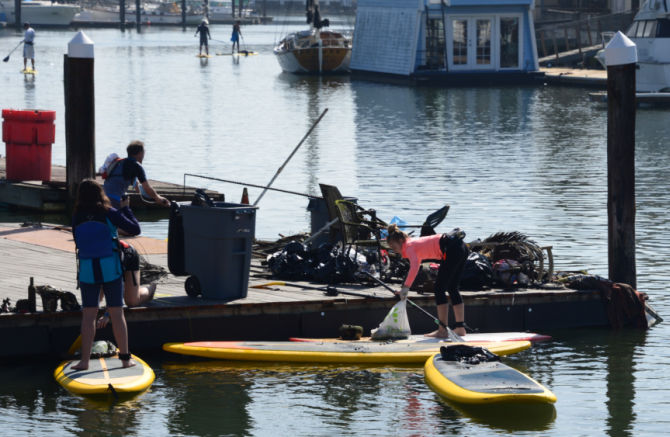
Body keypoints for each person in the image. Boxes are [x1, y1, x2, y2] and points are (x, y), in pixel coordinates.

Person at [70, 179, 140, 370]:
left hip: (87, 271)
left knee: (88, 315)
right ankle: (125, 359)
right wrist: (126, 209)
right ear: (100, 194)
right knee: (117, 313)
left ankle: (84, 362)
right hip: (111, 269)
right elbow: (135, 229)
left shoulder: (77, 216)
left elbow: (78, 241)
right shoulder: (110, 212)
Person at [386, 224, 469, 338]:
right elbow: (416, 266)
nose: (394, 252)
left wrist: (405, 288)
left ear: (401, 241)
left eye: (394, 247)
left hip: (452, 250)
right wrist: (405, 288)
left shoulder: (408, 246)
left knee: (439, 288)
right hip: (461, 247)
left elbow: (414, 266)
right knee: (452, 287)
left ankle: (442, 330)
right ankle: (460, 328)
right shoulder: (414, 244)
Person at [97, 242, 158, 328]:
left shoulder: (112, 258)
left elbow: (118, 291)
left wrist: (107, 314)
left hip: (129, 256)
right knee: (96, 298)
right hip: (108, 267)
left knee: (132, 302)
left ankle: (151, 288)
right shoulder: (89, 257)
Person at [102, 140, 170, 212]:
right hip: (114, 200)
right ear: (140, 153)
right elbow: (148, 190)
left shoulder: (120, 162)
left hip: (102, 197)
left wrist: (157, 198)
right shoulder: (136, 166)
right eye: (144, 153)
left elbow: (139, 189)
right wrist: (158, 198)